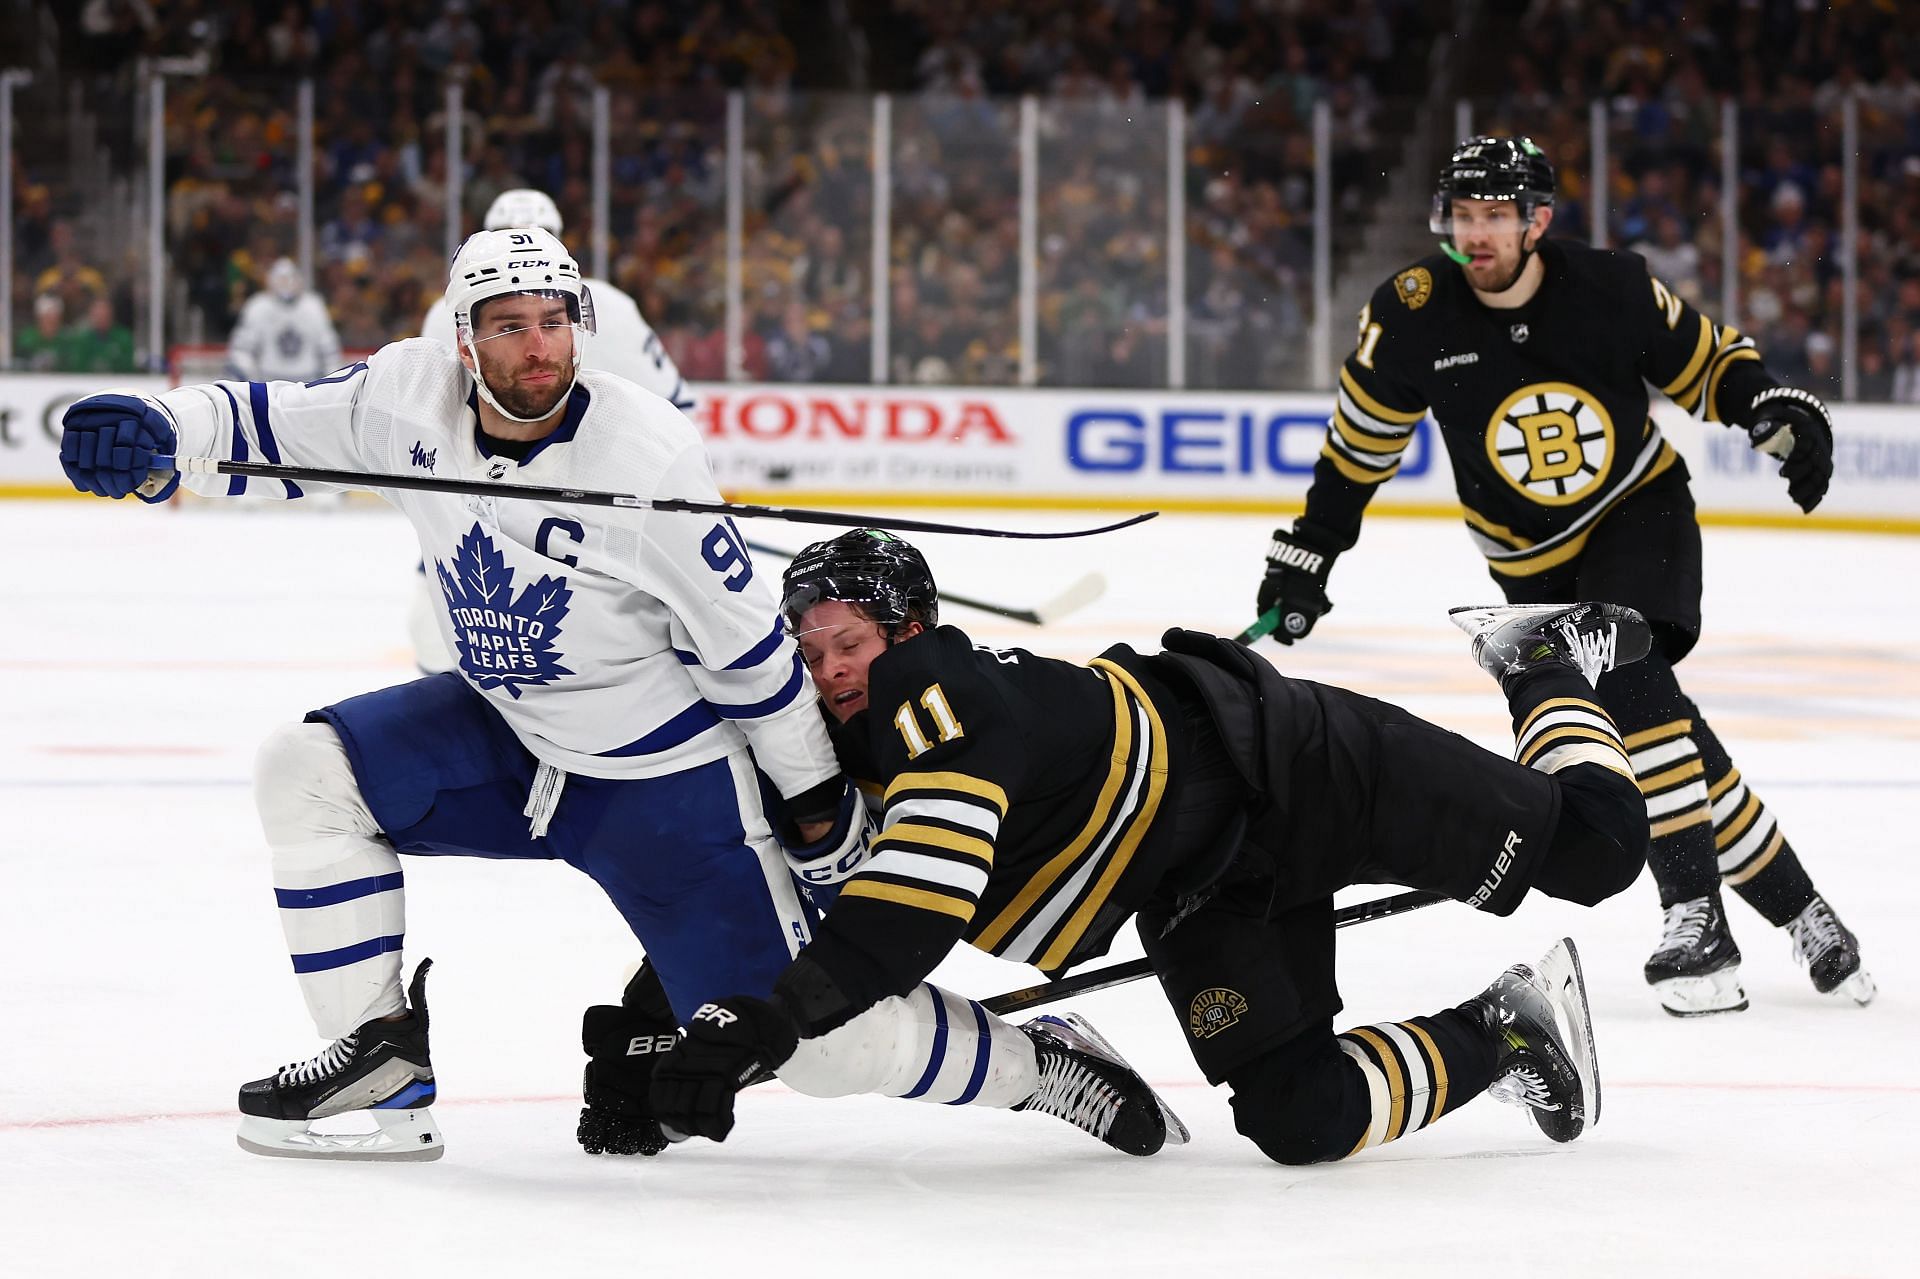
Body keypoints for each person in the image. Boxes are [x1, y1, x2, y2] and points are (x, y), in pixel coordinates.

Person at [55, 230, 1173, 1164]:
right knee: (305, 771)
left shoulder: (647, 456)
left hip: (665, 787)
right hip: (509, 732)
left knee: (817, 1051)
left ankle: (1043, 1064)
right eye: (507, 325)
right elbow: (263, 423)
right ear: (466, 337)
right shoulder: (406, 394)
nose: (535, 347)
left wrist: (823, 817)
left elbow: (754, 665)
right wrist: (161, 436)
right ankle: (380, 1069)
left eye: (552, 321)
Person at [642, 528, 1654, 1165]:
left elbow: (915, 906)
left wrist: (773, 1018)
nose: (826, 671)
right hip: (1196, 883)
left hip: (1308, 767)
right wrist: (658, 1020)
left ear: (909, 634)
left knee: (1599, 851)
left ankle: (1539, 657)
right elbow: (764, 889)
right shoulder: (836, 748)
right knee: (1300, 1120)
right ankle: (1507, 1030)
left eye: (850, 642)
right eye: (810, 651)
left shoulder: (936, 689)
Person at [1251, 135, 1874, 1016]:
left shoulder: (1611, 287)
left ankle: (1697, 916)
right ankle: (1806, 912)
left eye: (1495, 217)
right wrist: (1310, 551)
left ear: (1536, 220)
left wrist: (1771, 404)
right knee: (1667, 730)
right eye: (1463, 217)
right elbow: (1360, 449)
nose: (1476, 235)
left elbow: (1709, 361)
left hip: (1637, 514)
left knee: (1623, 669)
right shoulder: (1414, 312)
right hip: (1528, 561)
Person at [412, 187, 695, 674]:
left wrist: (664, 481)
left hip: (583, 512)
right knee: (442, 650)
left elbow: (674, 407)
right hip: (481, 507)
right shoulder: (451, 313)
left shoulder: (607, 307)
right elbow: (426, 411)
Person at [227, 258, 345, 383]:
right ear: (270, 280)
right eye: (281, 279)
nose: (286, 283)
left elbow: (330, 351)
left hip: (308, 382)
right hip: (268, 383)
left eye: (290, 279)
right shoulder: (258, 306)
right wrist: (252, 382)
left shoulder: (313, 306)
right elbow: (241, 350)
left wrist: (329, 383)